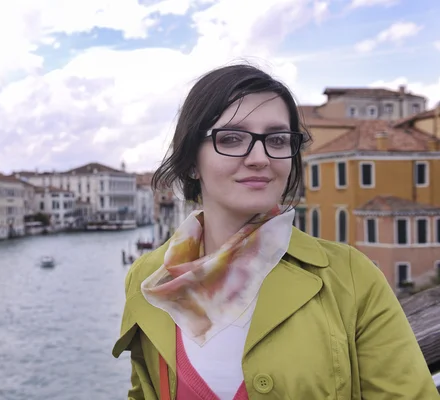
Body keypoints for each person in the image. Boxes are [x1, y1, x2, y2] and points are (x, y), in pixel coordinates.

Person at [112, 63, 439, 399]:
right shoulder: (147, 279)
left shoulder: (352, 278)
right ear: (193, 160)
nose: (259, 157)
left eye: (278, 139)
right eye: (232, 138)